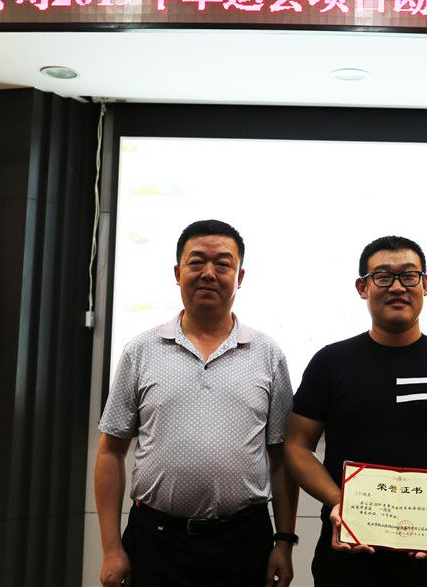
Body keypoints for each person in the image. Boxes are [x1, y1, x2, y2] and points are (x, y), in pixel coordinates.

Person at [284, 235, 427, 586]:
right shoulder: (330, 362)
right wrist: (341, 503)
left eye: (409, 276)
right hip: (348, 554)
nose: (397, 287)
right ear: (363, 287)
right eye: (383, 276)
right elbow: (297, 446)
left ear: (425, 284)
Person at [95, 219, 298, 587]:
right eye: (196, 262)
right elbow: (111, 451)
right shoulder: (141, 350)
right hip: (156, 541)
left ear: (239, 276)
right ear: (178, 272)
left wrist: (284, 543)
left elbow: (281, 457)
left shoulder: (267, 354)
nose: (208, 273)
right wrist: (110, 548)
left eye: (222, 264)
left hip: (243, 543)